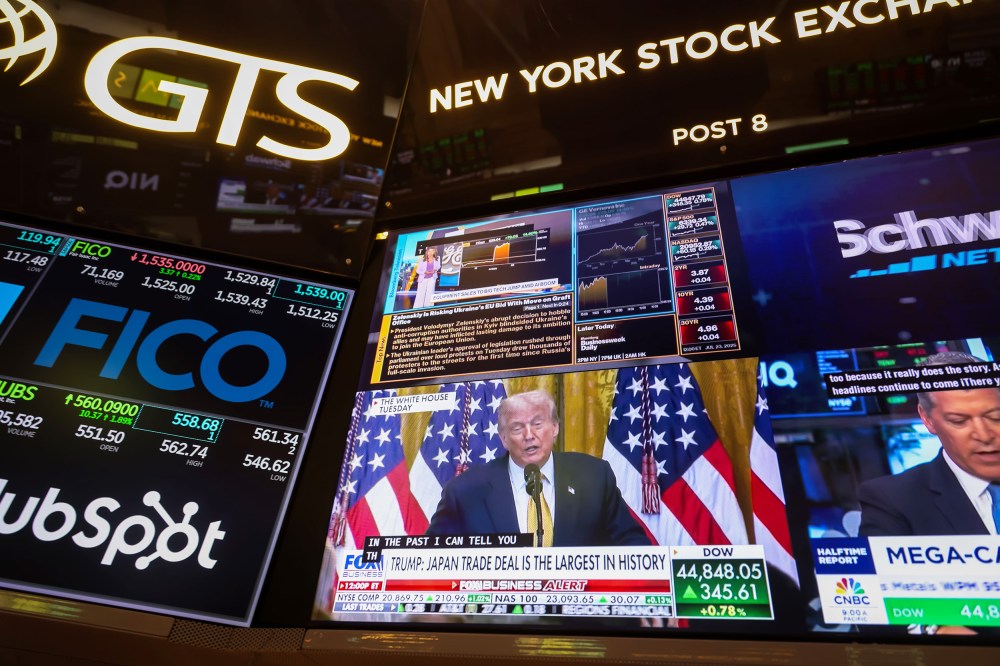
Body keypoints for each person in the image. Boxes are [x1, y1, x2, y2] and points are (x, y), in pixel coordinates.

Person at [425, 390, 651, 546]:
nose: (529, 435)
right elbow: (433, 557)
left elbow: (633, 544)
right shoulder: (465, 491)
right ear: (503, 438)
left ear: (555, 428)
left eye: (537, 424)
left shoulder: (594, 477)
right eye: (517, 428)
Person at [859, 351, 1000, 537]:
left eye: (995, 416)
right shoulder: (892, 500)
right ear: (927, 419)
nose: (984, 435)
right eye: (959, 421)